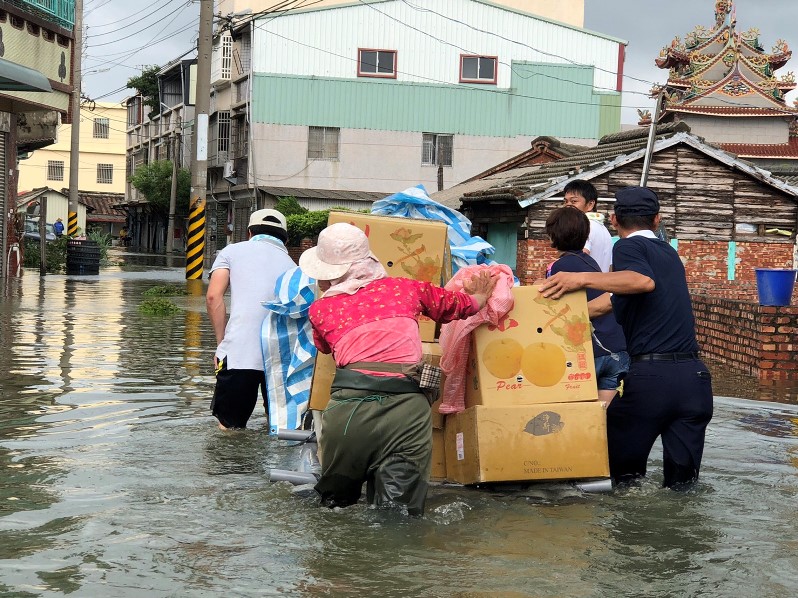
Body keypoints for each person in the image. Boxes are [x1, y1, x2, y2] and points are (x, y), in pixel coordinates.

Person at [299, 222, 496, 515]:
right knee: (399, 515)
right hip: (408, 410)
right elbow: (458, 306)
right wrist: (480, 296)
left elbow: (325, 348)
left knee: (335, 507)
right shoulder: (405, 288)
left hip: (350, 414)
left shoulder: (320, 309)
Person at [539, 186, 713, 488]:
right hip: (695, 381)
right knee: (682, 488)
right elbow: (609, 302)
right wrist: (558, 320)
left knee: (613, 476)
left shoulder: (627, 248)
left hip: (653, 381)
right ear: (657, 220)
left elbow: (640, 281)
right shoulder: (670, 254)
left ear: (614, 219)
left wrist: (578, 278)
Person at [206, 209, 296, 430]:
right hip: (280, 357)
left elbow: (213, 296)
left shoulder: (231, 252)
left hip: (239, 352)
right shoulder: (294, 267)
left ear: (249, 232)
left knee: (229, 429)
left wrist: (221, 344)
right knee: (277, 427)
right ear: (285, 238)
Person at [544, 207, 629, 407]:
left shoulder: (560, 267)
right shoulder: (590, 262)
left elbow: (552, 306)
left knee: (583, 421)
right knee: (601, 421)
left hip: (591, 352)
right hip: (617, 349)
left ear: (552, 236)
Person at [563, 179, 612, 272]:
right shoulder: (603, 228)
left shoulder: (584, 226)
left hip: (584, 284)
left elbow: (581, 255)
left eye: (574, 201)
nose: (568, 205)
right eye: (566, 201)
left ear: (590, 204)